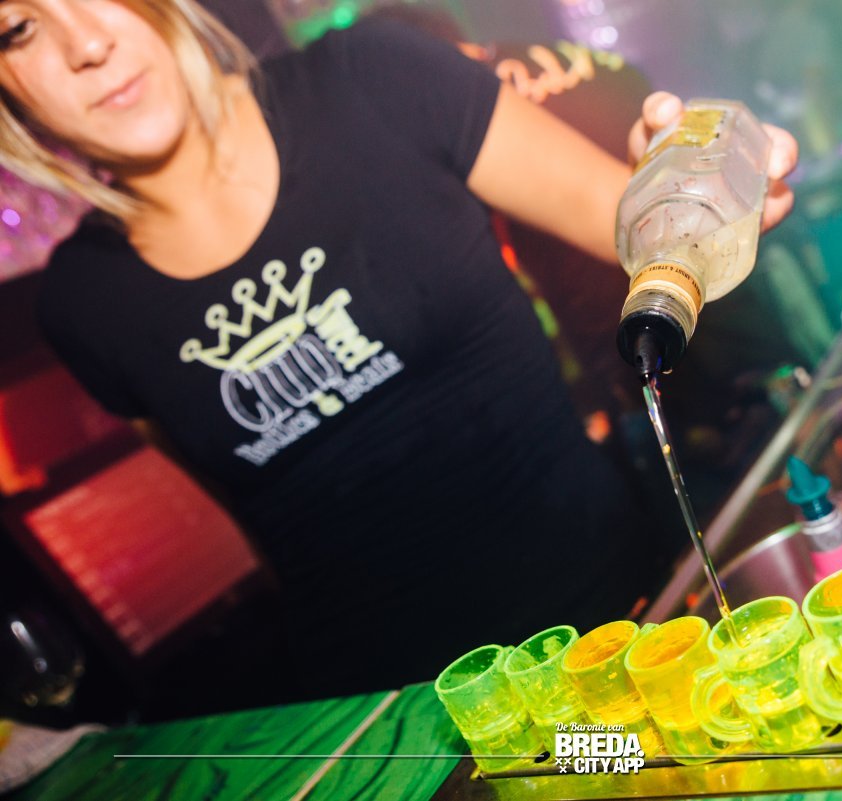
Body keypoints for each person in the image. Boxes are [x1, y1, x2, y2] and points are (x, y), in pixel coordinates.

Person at [0, 0, 798, 699]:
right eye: (19, 29)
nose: (87, 44)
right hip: (398, 722)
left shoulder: (374, 77)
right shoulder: (82, 304)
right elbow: (262, 521)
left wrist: (687, 183)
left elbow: (644, 235)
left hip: (619, 634)